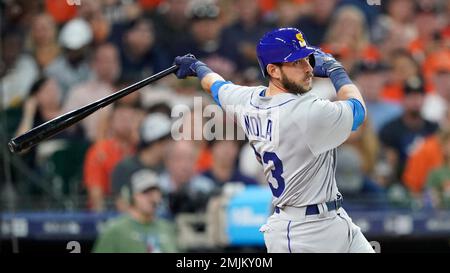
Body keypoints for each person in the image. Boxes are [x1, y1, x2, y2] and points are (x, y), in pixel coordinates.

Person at [173, 27, 374, 252]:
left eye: (307, 59)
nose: (309, 69)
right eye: (297, 62)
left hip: (335, 219)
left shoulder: (248, 100)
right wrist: (337, 70)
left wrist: (198, 68)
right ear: (273, 70)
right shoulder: (306, 111)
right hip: (301, 233)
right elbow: (358, 112)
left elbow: (217, 86)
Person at [92, 168, 178, 253]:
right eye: (145, 192)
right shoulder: (115, 230)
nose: (152, 197)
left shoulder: (167, 228)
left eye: (156, 192)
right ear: (133, 196)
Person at [112, 113, 172, 212]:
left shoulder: (167, 167)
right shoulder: (125, 168)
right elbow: (122, 205)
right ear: (157, 142)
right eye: (168, 140)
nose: (170, 145)